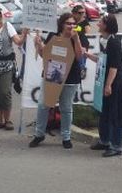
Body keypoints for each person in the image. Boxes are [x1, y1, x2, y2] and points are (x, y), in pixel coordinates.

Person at [29, 13, 83, 149]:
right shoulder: (53, 35)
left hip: (70, 77)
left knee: (66, 107)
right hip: (53, 74)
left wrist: (76, 39)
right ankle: (39, 134)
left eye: (73, 23)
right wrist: (39, 46)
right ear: (62, 24)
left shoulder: (77, 36)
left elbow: (79, 57)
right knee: (43, 105)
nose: (71, 26)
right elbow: (44, 55)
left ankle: (66, 137)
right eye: (68, 23)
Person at [85, 15, 122, 157]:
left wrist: (108, 85)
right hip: (108, 79)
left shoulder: (114, 42)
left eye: (100, 22)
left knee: (116, 114)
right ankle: (105, 140)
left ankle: (117, 146)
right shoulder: (104, 40)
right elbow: (103, 60)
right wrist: (87, 55)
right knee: (104, 112)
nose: (98, 24)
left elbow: (114, 66)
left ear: (106, 26)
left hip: (117, 82)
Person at [0, 5, 28, 131]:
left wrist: (24, 33)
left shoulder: (7, 26)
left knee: (4, 92)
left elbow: (18, 42)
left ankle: (8, 120)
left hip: (6, 65)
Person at [72, 4, 90, 79]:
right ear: (74, 13)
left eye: (83, 12)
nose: (82, 14)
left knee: (81, 64)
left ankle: (82, 72)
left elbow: (87, 31)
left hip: (82, 44)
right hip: (72, 45)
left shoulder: (84, 22)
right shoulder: (71, 21)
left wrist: (77, 27)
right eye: (80, 13)